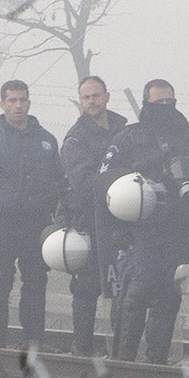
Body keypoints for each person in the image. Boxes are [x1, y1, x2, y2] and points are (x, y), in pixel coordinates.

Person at [0, 79, 65, 350]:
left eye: (22, 100)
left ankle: (33, 343)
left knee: (35, 284)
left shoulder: (46, 141)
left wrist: (59, 219)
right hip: (0, 225)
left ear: (29, 102)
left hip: (36, 225)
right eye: (12, 100)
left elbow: (59, 182)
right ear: (2, 104)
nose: (18, 106)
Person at [100, 79, 189, 364]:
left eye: (170, 102)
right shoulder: (129, 138)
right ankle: (123, 361)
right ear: (146, 103)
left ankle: (156, 365)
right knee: (136, 292)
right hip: (138, 231)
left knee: (168, 296)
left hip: (176, 228)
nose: (166, 108)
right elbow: (106, 182)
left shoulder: (187, 137)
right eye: (159, 103)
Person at [61, 74, 128, 355]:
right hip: (90, 218)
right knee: (87, 287)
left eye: (96, 95)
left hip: (124, 220)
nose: (92, 101)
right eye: (86, 97)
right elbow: (83, 181)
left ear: (107, 96)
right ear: (80, 100)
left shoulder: (124, 128)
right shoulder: (75, 138)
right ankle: (82, 351)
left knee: (124, 286)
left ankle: (123, 350)